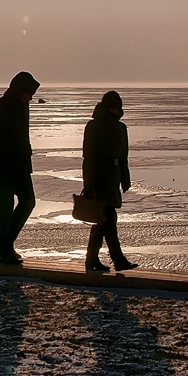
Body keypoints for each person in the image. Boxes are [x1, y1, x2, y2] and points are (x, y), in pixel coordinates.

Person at [0, 71, 41, 265]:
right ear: (20, 90)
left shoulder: (23, 107)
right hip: (3, 166)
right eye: (29, 93)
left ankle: (5, 242)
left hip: (22, 165)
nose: (31, 98)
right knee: (5, 207)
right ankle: (4, 248)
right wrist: (11, 150)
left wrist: (26, 152)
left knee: (28, 201)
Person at [81, 90, 139, 272]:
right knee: (108, 218)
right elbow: (88, 157)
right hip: (99, 178)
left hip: (113, 178)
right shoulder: (94, 126)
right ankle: (117, 259)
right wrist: (89, 185)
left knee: (102, 220)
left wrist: (125, 179)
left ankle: (92, 260)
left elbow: (124, 156)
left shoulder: (121, 128)